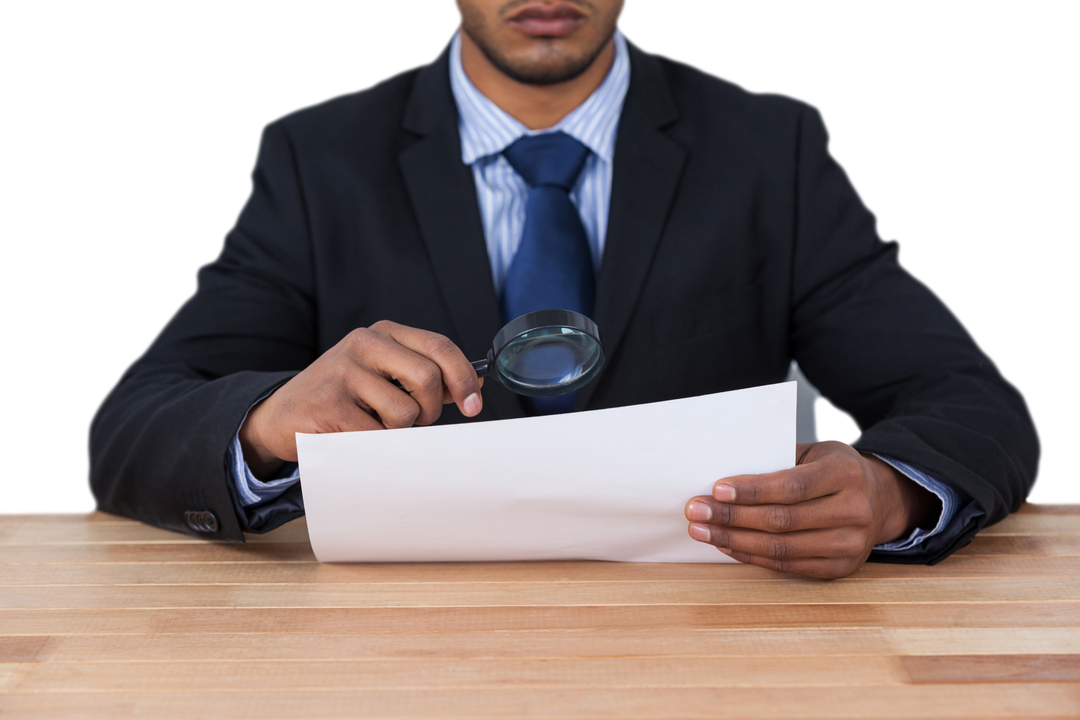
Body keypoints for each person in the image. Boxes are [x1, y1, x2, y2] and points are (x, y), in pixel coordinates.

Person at [84, 0, 1043, 579]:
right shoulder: (316, 156)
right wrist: (262, 425)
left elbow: (972, 404)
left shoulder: (769, 149)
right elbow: (128, 428)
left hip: (714, 652)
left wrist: (890, 495)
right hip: (389, 661)